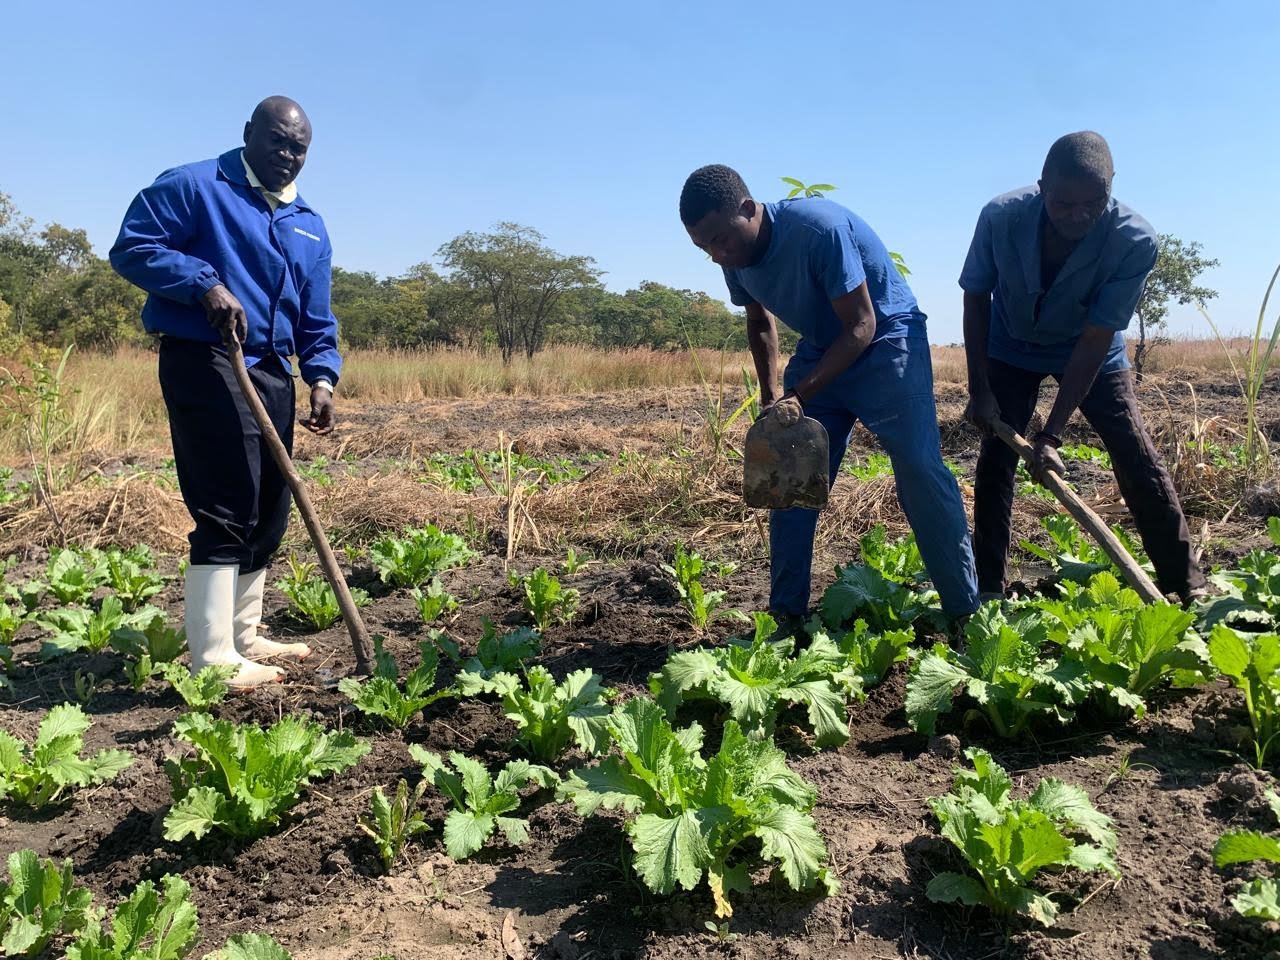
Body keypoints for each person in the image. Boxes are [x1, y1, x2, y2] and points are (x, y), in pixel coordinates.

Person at [680, 165, 979, 629]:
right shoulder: (734, 260)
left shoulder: (818, 229)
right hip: (823, 349)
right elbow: (759, 322)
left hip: (886, 341)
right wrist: (771, 397)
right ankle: (786, 616)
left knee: (920, 468)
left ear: (746, 209)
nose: (719, 255)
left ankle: (964, 612)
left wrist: (800, 391)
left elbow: (862, 324)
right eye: (705, 248)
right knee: (790, 471)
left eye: (721, 239)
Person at [110, 96, 342, 688]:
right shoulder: (194, 186)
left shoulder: (308, 224)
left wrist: (320, 376)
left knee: (269, 501)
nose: (287, 156)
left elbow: (316, 315)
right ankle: (211, 657)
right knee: (227, 494)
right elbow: (133, 247)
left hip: (269, 369)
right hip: (206, 357)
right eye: (277, 142)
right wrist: (203, 284)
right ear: (249, 134)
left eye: (299, 148)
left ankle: (244, 635)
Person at [959, 130, 1206, 603]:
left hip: (1090, 347)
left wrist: (1050, 435)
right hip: (1011, 344)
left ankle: (1184, 582)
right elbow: (976, 296)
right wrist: (980, 388)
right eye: (1063, 203)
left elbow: (1096, 337)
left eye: (1093, 204)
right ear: (1041, 187)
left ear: (1111, 190)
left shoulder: (1134, 241)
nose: (1078, 216)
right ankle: (988, 587)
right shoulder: (1000, 217)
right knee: (996, 459)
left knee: (1134, 450)